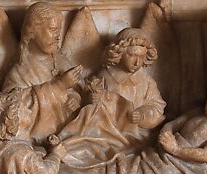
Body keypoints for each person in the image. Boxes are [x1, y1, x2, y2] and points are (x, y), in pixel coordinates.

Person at [59, 27, 164, 163]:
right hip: (104, 132)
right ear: (118, 53)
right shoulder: (104, 76)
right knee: (84, 144)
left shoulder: (147, 82)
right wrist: (90, 99)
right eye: (132, 55)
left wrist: (143, 115)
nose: (137, 62)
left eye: (141, 57)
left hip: (134, 134)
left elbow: (157, 105)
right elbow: (84, 94)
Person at [2, 2, 83, 139]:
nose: (58, 36)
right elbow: (14, 111)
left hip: (69, 134)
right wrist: (59, 86)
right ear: (33, 31)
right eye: (52, 29)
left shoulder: (62, 61)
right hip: (41, 138)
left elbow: (76, 92)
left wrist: (75, 99)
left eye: (59, 30)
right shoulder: (20, 72)